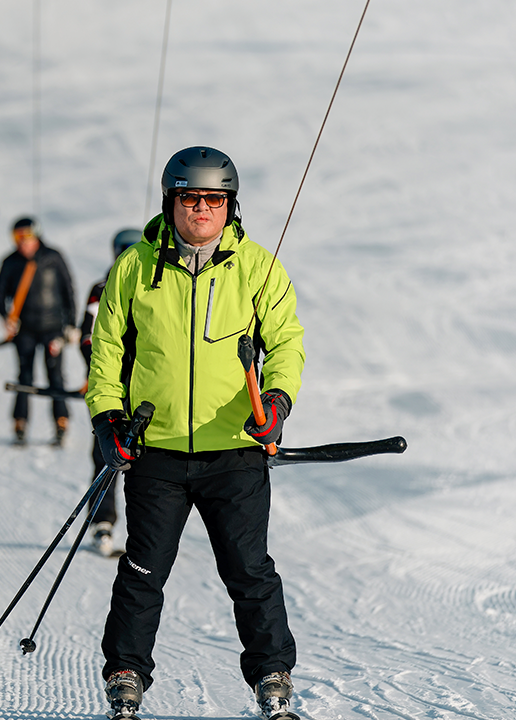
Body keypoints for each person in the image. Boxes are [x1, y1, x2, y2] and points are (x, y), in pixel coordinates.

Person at [85, 146, 306, 720]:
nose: (202, 209)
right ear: (171, 202)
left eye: (214, 199)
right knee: (141, 570)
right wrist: (107, 419)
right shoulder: (134, 267)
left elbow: (286, 344)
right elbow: (107, 350)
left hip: (234, 452)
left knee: (249, 570)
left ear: (231, 205)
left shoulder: (257, 267)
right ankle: (126, 672)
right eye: (190, 198)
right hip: (155, 450)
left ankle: (272, 674)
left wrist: (276, 403)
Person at [80, 228, 141, 557]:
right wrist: (103, 374)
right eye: (124, 250)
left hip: (149, 388)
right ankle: (102, 522)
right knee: (107, 452)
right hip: (111, 388)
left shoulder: (154, 284)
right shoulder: (102, 289)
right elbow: (87, 338)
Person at [0, 217, 77, 446]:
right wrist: (6, 319)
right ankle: (20, 424)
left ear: (37, 235)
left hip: (53, 330)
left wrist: (70, 324)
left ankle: (61, 423)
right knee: (24, 377)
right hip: (25, 331)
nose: (22, 243)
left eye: (26, 236)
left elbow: (68, 290)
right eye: (16, 238)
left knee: (56, 377)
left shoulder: (53, 257)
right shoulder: (10, 262)